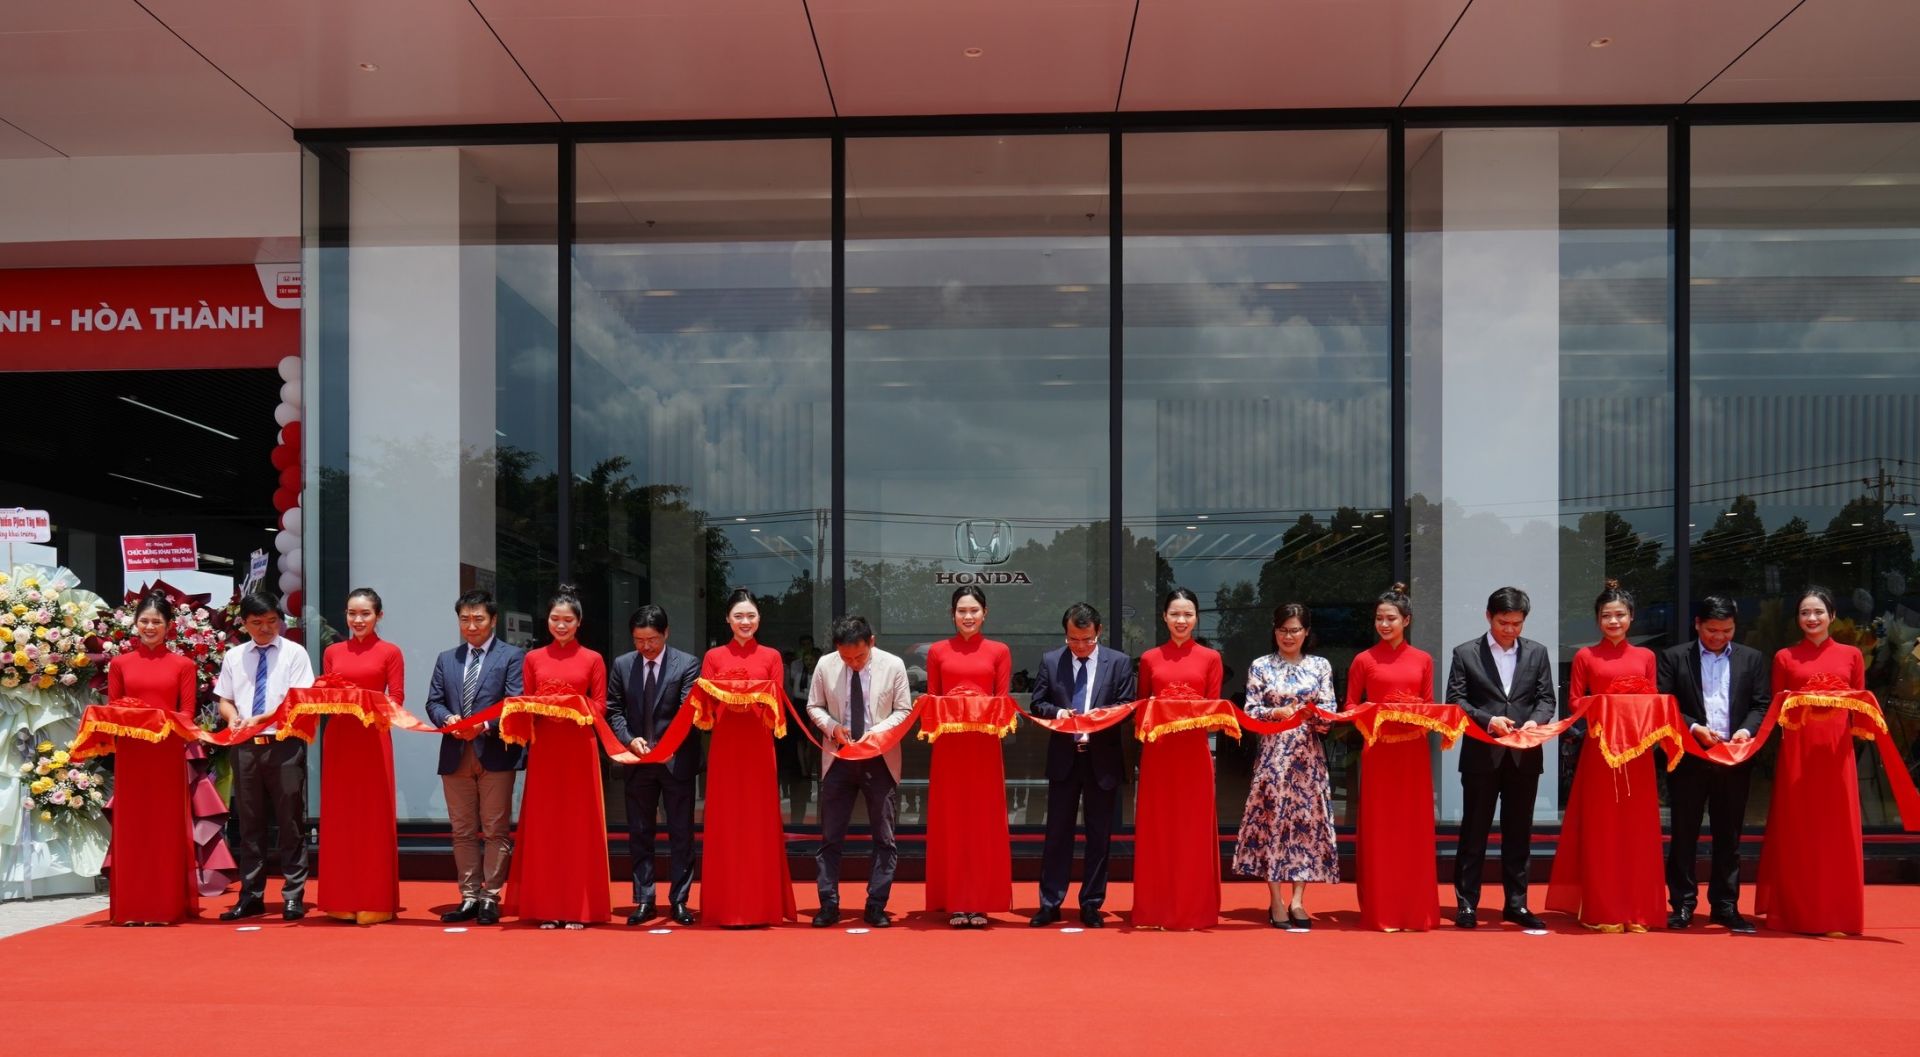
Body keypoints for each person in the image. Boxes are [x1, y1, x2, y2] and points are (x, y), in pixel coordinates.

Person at [1547, 580, 1662, 932]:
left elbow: (1654, 701)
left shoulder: (1646, 657)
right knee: (1603, 829)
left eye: (1620, 615)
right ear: (1598, 619)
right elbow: (1574, 701)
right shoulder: (1586, 656)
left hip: (1637, 752)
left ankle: (1637, 909)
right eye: (1606, 616)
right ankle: (1602, 908)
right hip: (1601, 749)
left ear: (1631, 617)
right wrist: (1608, 704)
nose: (1613, 621)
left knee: (1637, 829)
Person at [1757, 586, 1870, 935]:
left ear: (1832, 616)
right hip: (1797, 753)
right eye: (1805, 612)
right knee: (1798, 829)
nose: (1812, 618)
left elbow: (1861, 705)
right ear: (1797, 618)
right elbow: (1776, 709)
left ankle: (1837, 915)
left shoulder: (1852, 655)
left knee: (1837, 831)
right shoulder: (1785, 657)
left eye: (1819, 612)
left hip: (1837, 754)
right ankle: (1794, 913)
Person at [1445, 585, 1556, 930]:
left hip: (1524, 755)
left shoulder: (1537, 652)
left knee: (1519, 832)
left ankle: (1517, 904)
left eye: (1517, 623)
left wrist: (1535, 721)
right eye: (1503, 622)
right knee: (1474, 831)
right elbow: (1455, 700)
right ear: (1488, 617)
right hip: (1482, 754)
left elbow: (1546, 699)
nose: (1510, 629)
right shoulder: (1466, 653)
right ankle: (1467, 904)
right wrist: (1488, 720)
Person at [1656, 594, 1767, 934]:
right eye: (1712, 630)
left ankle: (1725, 905)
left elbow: (1761, 704)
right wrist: (1693, 728)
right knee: (1684, 834)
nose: (1719, 637)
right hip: (1689, 757)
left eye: (1726, 630)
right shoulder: (1675, 657)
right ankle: (1682, 904)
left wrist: (1745, 731)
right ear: (1697, 625)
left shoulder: (1752, 659)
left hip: (1734, 757)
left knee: (1729, 836)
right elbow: (1664, 704)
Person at [507, 586, 610, 928]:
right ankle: (547, 906)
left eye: (568, 620)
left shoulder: (593, 659)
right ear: (547, 620)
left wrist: (572, 705)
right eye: (555, 619)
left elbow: (600, 705)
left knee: (579, 826)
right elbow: (526, 701)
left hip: (579, 747)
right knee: (545, 826)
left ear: (579, 622)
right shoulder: (533, 659)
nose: (561, 625)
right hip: (545, 748)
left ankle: (578, 908)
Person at [422, 588, 526, 927]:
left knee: (495, 829)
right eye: (464, 619)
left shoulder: (512, 656)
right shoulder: (446, 659)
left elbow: (515, 702)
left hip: (495, 752)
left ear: (493, 620)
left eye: (478, 619)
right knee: (462, 830)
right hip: (455, 753)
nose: (471, 626)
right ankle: (469, 895)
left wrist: (482, 725)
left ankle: (490, 897)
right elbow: (433, 701)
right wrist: (448, 720)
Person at [1028, 602, 1135, 928]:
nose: (1080, 646)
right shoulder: (1051, 661)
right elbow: (1038, 702)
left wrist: (1099, 717)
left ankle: (1091, 903)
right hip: (1065, 757)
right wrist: (1059, 713)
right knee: (1057, 833)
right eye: (1073, 639)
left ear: (1098, 632)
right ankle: (1050, 903)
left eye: (1086, 639)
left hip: (1101, 759)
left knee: (1098, 835)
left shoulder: (1118, 662)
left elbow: (1126, 706)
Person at [1232, 603, 1337, 931]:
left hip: (1308, 758)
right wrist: (1274, 714)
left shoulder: (1320, 665)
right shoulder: (1261, 666)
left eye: (1294, 630)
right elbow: (1249, 711)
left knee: (1305, 826)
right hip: (1273, 756)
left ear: (1306, 632)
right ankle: (1276, 899)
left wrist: (1313, 714)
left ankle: (1298, 899)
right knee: (1273, 824)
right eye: (1282, 630)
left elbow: (1330, 712)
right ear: (1274, 631)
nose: (1288, 636)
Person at [807, 615, 914, 928]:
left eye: (860, 657)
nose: (853, 663)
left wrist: (876, 733)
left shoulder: (893, 665)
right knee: (830, 836)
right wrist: (833, 727)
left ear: (872, 642)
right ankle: (828, 904)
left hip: (879, 758)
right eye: (846, 658)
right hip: (839, 757)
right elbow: (814, 706)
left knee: (884, 836)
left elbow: (904, 710)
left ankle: (876, 905)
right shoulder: (825, 665)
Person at [213, 593, 316, 921]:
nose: (265, 628)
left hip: (284, 743)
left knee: (290, 820)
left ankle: (293, 895)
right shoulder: (234, 656)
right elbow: (225, 699)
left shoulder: (295, 653)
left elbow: (298, 701)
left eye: (272, 621)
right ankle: (251, 896)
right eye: (257, 623)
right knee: (249, 823)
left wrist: (261, 718)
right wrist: (232, 718)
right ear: (244, 623)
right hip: (245, 747)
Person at [699, 588, 797, 927]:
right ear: (727, 619)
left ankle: (761, 906)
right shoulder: (714, 657)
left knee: (759, 821)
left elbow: (778, 702)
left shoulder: (771, 657)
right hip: (725, 746)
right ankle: (725, 906)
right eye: (738, 616)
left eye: (751, 616)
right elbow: (705, 702)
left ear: (759, 619)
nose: (745, 621)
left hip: (758, 746)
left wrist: (746, 697)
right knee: (725, 821)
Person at [1345, 583, 1439, 932]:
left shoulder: (1423, 660)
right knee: (1381, 829)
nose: (1384, 625)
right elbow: (1350, 706)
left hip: (1413, 752)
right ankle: (1382, 909)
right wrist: (1374, 711)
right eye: (1379, 619)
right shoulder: (1364, 660)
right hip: (1379, 750)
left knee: (1413, 829)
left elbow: (1429, 706)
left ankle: (1415, 912)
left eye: (1391, 619)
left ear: (1406, 621)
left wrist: (1413, 711)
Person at [104, 590, 200, 925]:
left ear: (169, 625)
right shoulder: (119, 664)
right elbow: (112, 710)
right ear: (135, 623)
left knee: (164, 829)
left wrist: (158, 722)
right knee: (132, 829)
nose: (149, 627)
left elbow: (187, 714)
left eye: (156, 621)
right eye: (144, 620)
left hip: (166, 754)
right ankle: (132, 907)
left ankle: (163, 907)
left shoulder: (184, 665)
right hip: (131, 755)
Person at [1133, 587, 1226, 930]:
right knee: (1158, 829)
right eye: (1175, 614)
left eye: (1187, 614)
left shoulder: (1210, 658)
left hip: (1194, 755)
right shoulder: (1149, 659)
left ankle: (1192, 910)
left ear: (1196, 617)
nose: (1181, 620)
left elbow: (1214, 712)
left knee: (1192, 831)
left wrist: (1189, 714)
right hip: (1158, 754)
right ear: (1164, 617)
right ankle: (1155, 910)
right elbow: (1140, 711)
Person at [923, 585, 1014, 928]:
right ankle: (956, 901)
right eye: (961, 610)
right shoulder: (938, 651)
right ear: (952, 614)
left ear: (985, 613)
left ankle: (980, 902)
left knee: (982, 822)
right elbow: (932, 700)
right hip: (948, 748)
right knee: (952, 821)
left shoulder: (999, 651)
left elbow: (1002, 701)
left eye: (974, 610)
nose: (968, 616)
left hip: (984, 747)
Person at [606, 604, 701, 926]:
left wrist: (666, 746)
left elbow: (688, 711)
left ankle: (679, 901)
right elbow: (614, 709)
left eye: (652, 640)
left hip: (676, 761)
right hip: (637, 761)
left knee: (681, 833)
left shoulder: (686, 664)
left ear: (666, 633)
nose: (645, 646)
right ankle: (644, 899)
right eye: (639, 640)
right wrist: (629, 739)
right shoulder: (622, 665)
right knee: (640, 832)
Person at [316, 587, 404, 925]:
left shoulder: (390, 652)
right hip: (340, 739)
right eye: (352, 613)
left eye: (365, 613)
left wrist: (365, 703)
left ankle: (376, 899)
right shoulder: (332, 651)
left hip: (373, 738)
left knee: (373, 818)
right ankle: (340, 898)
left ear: (379, 616)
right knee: (340, 817)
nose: (358, 620)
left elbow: (396, 698)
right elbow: (325, 693)